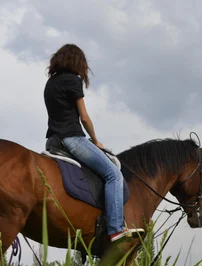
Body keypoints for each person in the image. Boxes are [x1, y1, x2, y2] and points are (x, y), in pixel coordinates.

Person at [43, 43, 145, 243]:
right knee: (113, 174)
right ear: (77, 62)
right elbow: (84, 117)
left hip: (53, 141)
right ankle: (116, 229)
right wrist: (96, 141)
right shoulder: (73, 81)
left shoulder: (51, 83)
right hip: (72, 139)